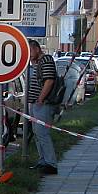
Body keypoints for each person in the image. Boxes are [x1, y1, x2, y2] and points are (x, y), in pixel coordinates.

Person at [27, 39, 58, 175]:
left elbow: (49, 80)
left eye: (30, 50)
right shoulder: (36, 63)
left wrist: (41, 98)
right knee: (37, 133)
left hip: (42, 103)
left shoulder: (46, 60)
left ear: (37, 49)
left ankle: (51, 163)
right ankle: (42, 161)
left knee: (42, 133)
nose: (28, 54)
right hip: (35, 102)